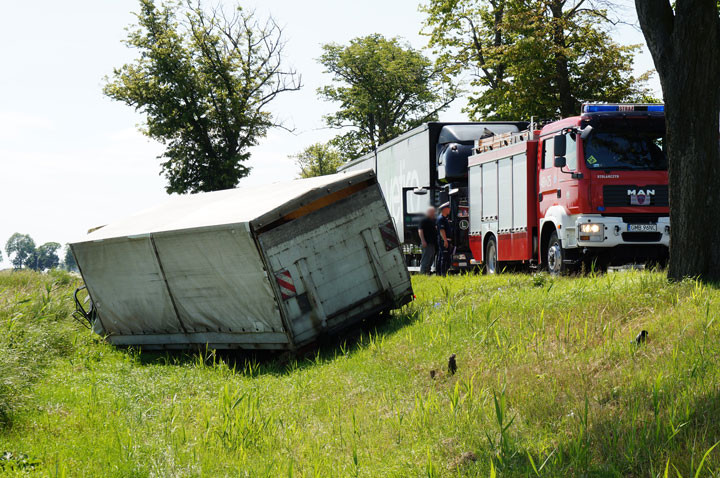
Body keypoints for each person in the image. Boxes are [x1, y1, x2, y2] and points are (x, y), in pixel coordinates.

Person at [418, 207, 437, 274]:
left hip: (432, 243)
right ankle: (423, 273)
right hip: (426, 243)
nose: (434, 213)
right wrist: (423, 241)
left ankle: (427, 272)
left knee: (431, 259)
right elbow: (420, 231)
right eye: (432, 212)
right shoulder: (424, 220)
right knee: (426, 259)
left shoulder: (433, 220)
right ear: (428, 212)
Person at [436, 202, 452, 276]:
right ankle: (443, 273)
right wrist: (445, 240)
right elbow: (442, 230)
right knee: (444, 257)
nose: (449, 210)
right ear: (444, 209)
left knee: (441, 256)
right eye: (448, 208)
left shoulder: (444, 218)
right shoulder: (441, 219)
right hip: (444, 240)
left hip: (445, 240)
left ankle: (439, 273)